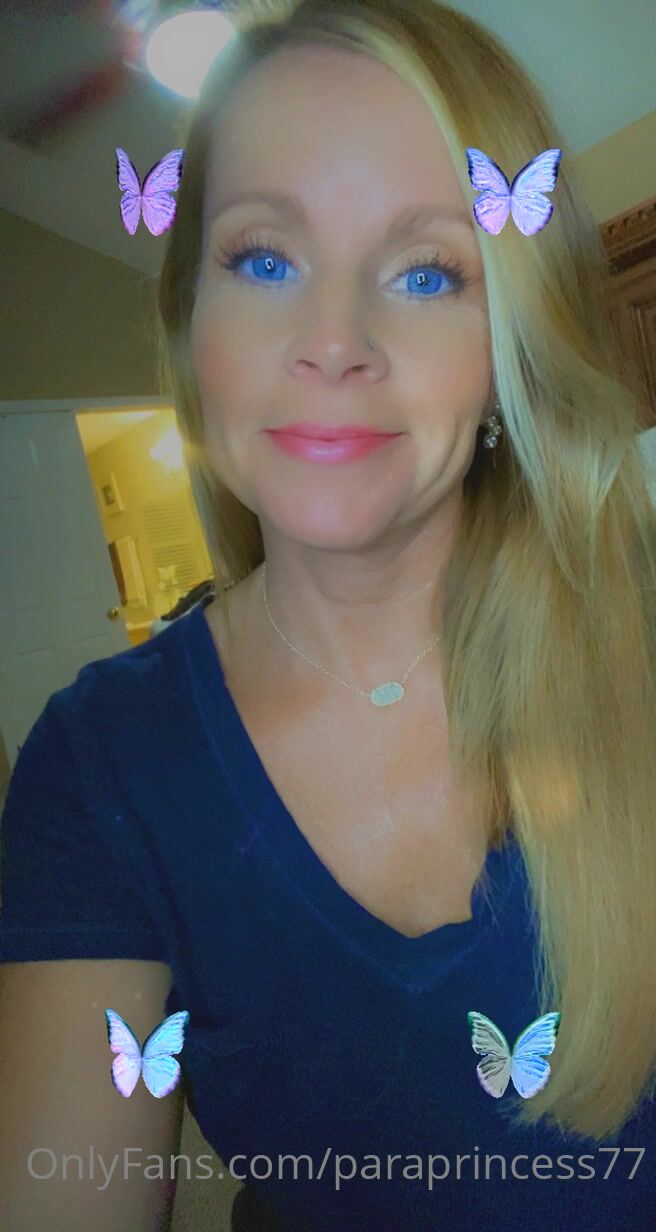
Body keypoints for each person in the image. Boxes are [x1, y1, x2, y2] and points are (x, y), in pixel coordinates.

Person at [2, 2, 656, 1230]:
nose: (333, 343)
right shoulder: (101, 767)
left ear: (506, 346)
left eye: (425, 271)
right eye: (263, 258)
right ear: (191, 326)